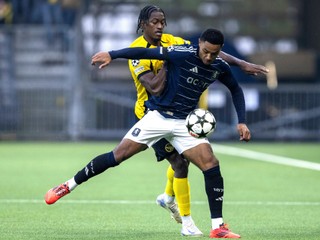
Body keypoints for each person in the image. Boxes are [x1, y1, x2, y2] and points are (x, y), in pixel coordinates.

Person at [45, 28, 251, 238]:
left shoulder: (220, 66)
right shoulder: (181, 54)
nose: (208, 57)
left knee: (211, 164)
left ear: (220, 51)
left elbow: (235, 89)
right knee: (117, 156)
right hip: (158, 118)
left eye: (213, 54)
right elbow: (143, 53)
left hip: (184, 124)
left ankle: (218, 227)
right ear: (199, 43)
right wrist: (112, 54)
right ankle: (68, 185)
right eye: (205, 51)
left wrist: (242, 121)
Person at [126, 5, 267, 236]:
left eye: (163, 21)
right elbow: (153, 86)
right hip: (149, 113)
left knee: (185, 161)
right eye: (155, 22)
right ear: (143, 24)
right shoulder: (137, 51)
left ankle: (169, 198)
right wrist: (168, 62)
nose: (160, 26)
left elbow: (207, 51)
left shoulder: (173, 41)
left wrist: (241, 63)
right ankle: (184, 220)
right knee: (180, 163)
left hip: (178, 113)